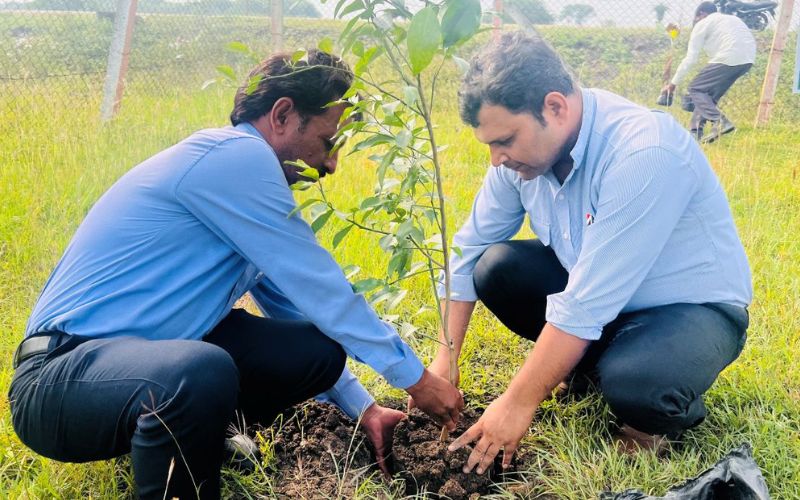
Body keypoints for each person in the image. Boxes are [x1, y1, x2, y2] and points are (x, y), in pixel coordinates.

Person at [8, 49, 463, 499]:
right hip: (58, 381)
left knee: (317, 350)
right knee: (200, 372)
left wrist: (365, 409)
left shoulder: (242, 190)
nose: (330, 165)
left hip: (135, 366)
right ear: (282, 115)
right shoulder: (236, 158)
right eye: (328, 143)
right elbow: (323, 288)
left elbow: (301, 306)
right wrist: (418, 380)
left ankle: (193, 432)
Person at [429, 32, 751, 474]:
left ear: (555, 107)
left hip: (689, 309)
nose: (496, 159)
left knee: (639, 384)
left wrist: (518, 402)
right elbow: (470, 250)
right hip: (601, 296)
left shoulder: (644, 150)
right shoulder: (519, 162)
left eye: (505, 140)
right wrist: (445, 359)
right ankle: (589, 366)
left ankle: (652, 417)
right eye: (489, 144)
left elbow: (586, 302)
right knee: (496, 267)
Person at [662, 2, 756, 143]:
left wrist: (672, 84)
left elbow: (690, 59)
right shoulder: (731, 19)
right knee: (707, 96)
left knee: (696, 88)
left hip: (727, 57)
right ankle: (695, 133)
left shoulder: (703, 23)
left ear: (701, 14)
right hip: (747, 60)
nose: (695, 21)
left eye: (696, 18)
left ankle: (720, 122)